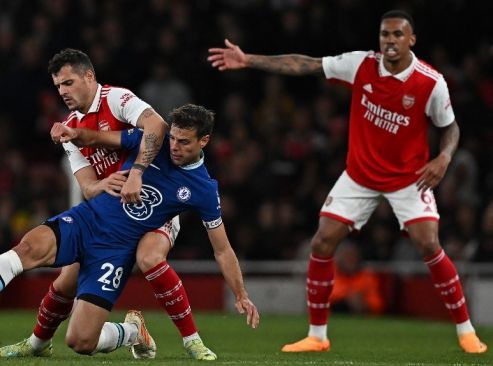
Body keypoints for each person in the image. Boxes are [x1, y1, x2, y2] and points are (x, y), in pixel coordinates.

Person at [208, 9, 487, 354]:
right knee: (322, 242)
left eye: (398, 34)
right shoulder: (360, 64)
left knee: (428, 243)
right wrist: (248, 59)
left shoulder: (431, 82)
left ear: (411, 39)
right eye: (385, 34)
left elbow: (451, 127)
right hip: (360, 176)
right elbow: (305, 63)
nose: (390, 40)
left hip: (407, 178)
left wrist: (443, 158)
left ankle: (466, 330)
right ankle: (317, 336)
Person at [0, 103, 260, 359]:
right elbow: (99, 138)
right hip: (88, 220)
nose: (173, 146)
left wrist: (241, 295)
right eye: (173, 138)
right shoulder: (154, 143)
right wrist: (72, 131)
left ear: (204, 141)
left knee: (80, 341)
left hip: (115, 250)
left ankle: (132, 332)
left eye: (183, 142)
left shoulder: (203, 189)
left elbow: (222, 249)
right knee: (28, 247)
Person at [0, 49, 217, 360]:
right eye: (58, 86)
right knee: (66, 284)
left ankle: (192, 340)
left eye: (68, 83)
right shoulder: (70, 128)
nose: (64, 91)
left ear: (88, 77)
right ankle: (45, 342)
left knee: (150, 256)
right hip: (111, 214)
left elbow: (155, 127)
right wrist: (99, 182)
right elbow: (87, 187)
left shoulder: (117, 100)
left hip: (154, 206)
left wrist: (136, 172)